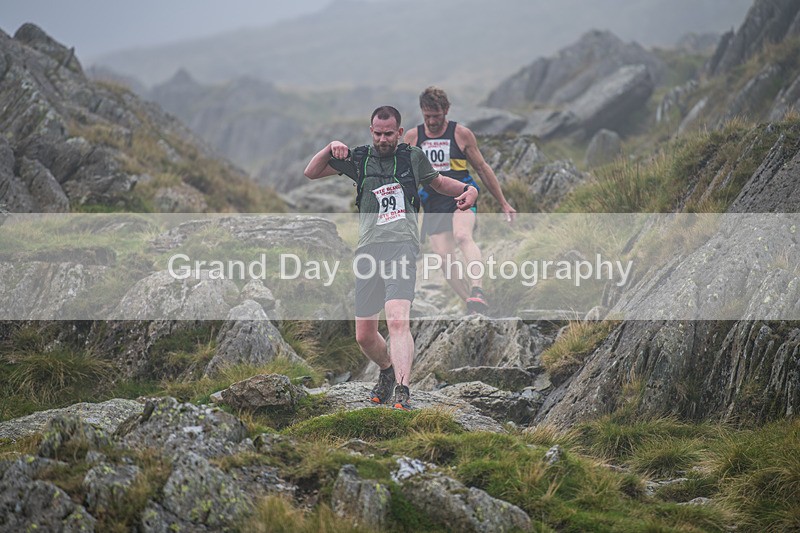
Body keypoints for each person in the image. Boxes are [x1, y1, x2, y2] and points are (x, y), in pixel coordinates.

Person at [304, 105, 478, 410]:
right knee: (364, 336)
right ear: (371, 131)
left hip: (402, 245)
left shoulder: (412, 157)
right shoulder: (359, 159)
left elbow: (438, 183)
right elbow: (312, 172)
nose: (383, 139)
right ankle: (386, 370)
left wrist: (468, 189)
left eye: (388, 134)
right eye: (378, 134)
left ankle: (402, 389)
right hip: (368, 249)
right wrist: (330, 147)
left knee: (397, 319)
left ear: (399, 132)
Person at [404, 86, 516, 314]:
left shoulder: (461, 134)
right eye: (427, 116)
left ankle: (477, 290)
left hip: (462, 194)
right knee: (444, 259)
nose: (432, 121)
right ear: (422, 111)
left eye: (436, 116)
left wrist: (503, 202)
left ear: (446, 110)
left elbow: (482, 168)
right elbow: (406, 177)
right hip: (433, 202)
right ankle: (472, 303)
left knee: (463, 236)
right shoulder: (413, 137)